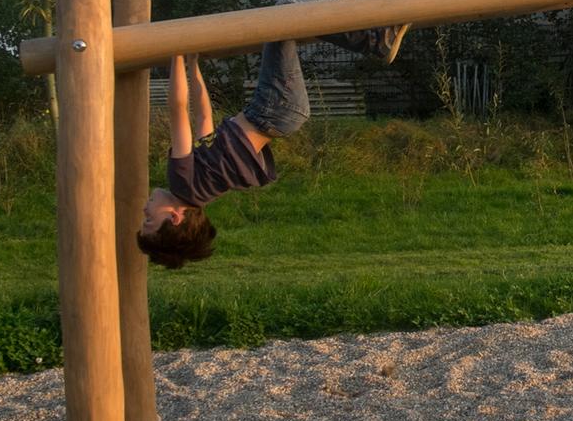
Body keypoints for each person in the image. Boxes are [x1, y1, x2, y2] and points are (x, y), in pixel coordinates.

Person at [137, 24, 408, 268]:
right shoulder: (181, 183)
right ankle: (375, 41)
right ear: (175, 218)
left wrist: (192, 64)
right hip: (273, 109)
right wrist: (176, 55)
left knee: (285, 22)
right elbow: (178, 112)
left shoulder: (201, 193)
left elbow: (203, 116)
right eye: (149, 221)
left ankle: (375, 40)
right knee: (283, 16)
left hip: (281, 115)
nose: (144, 211)